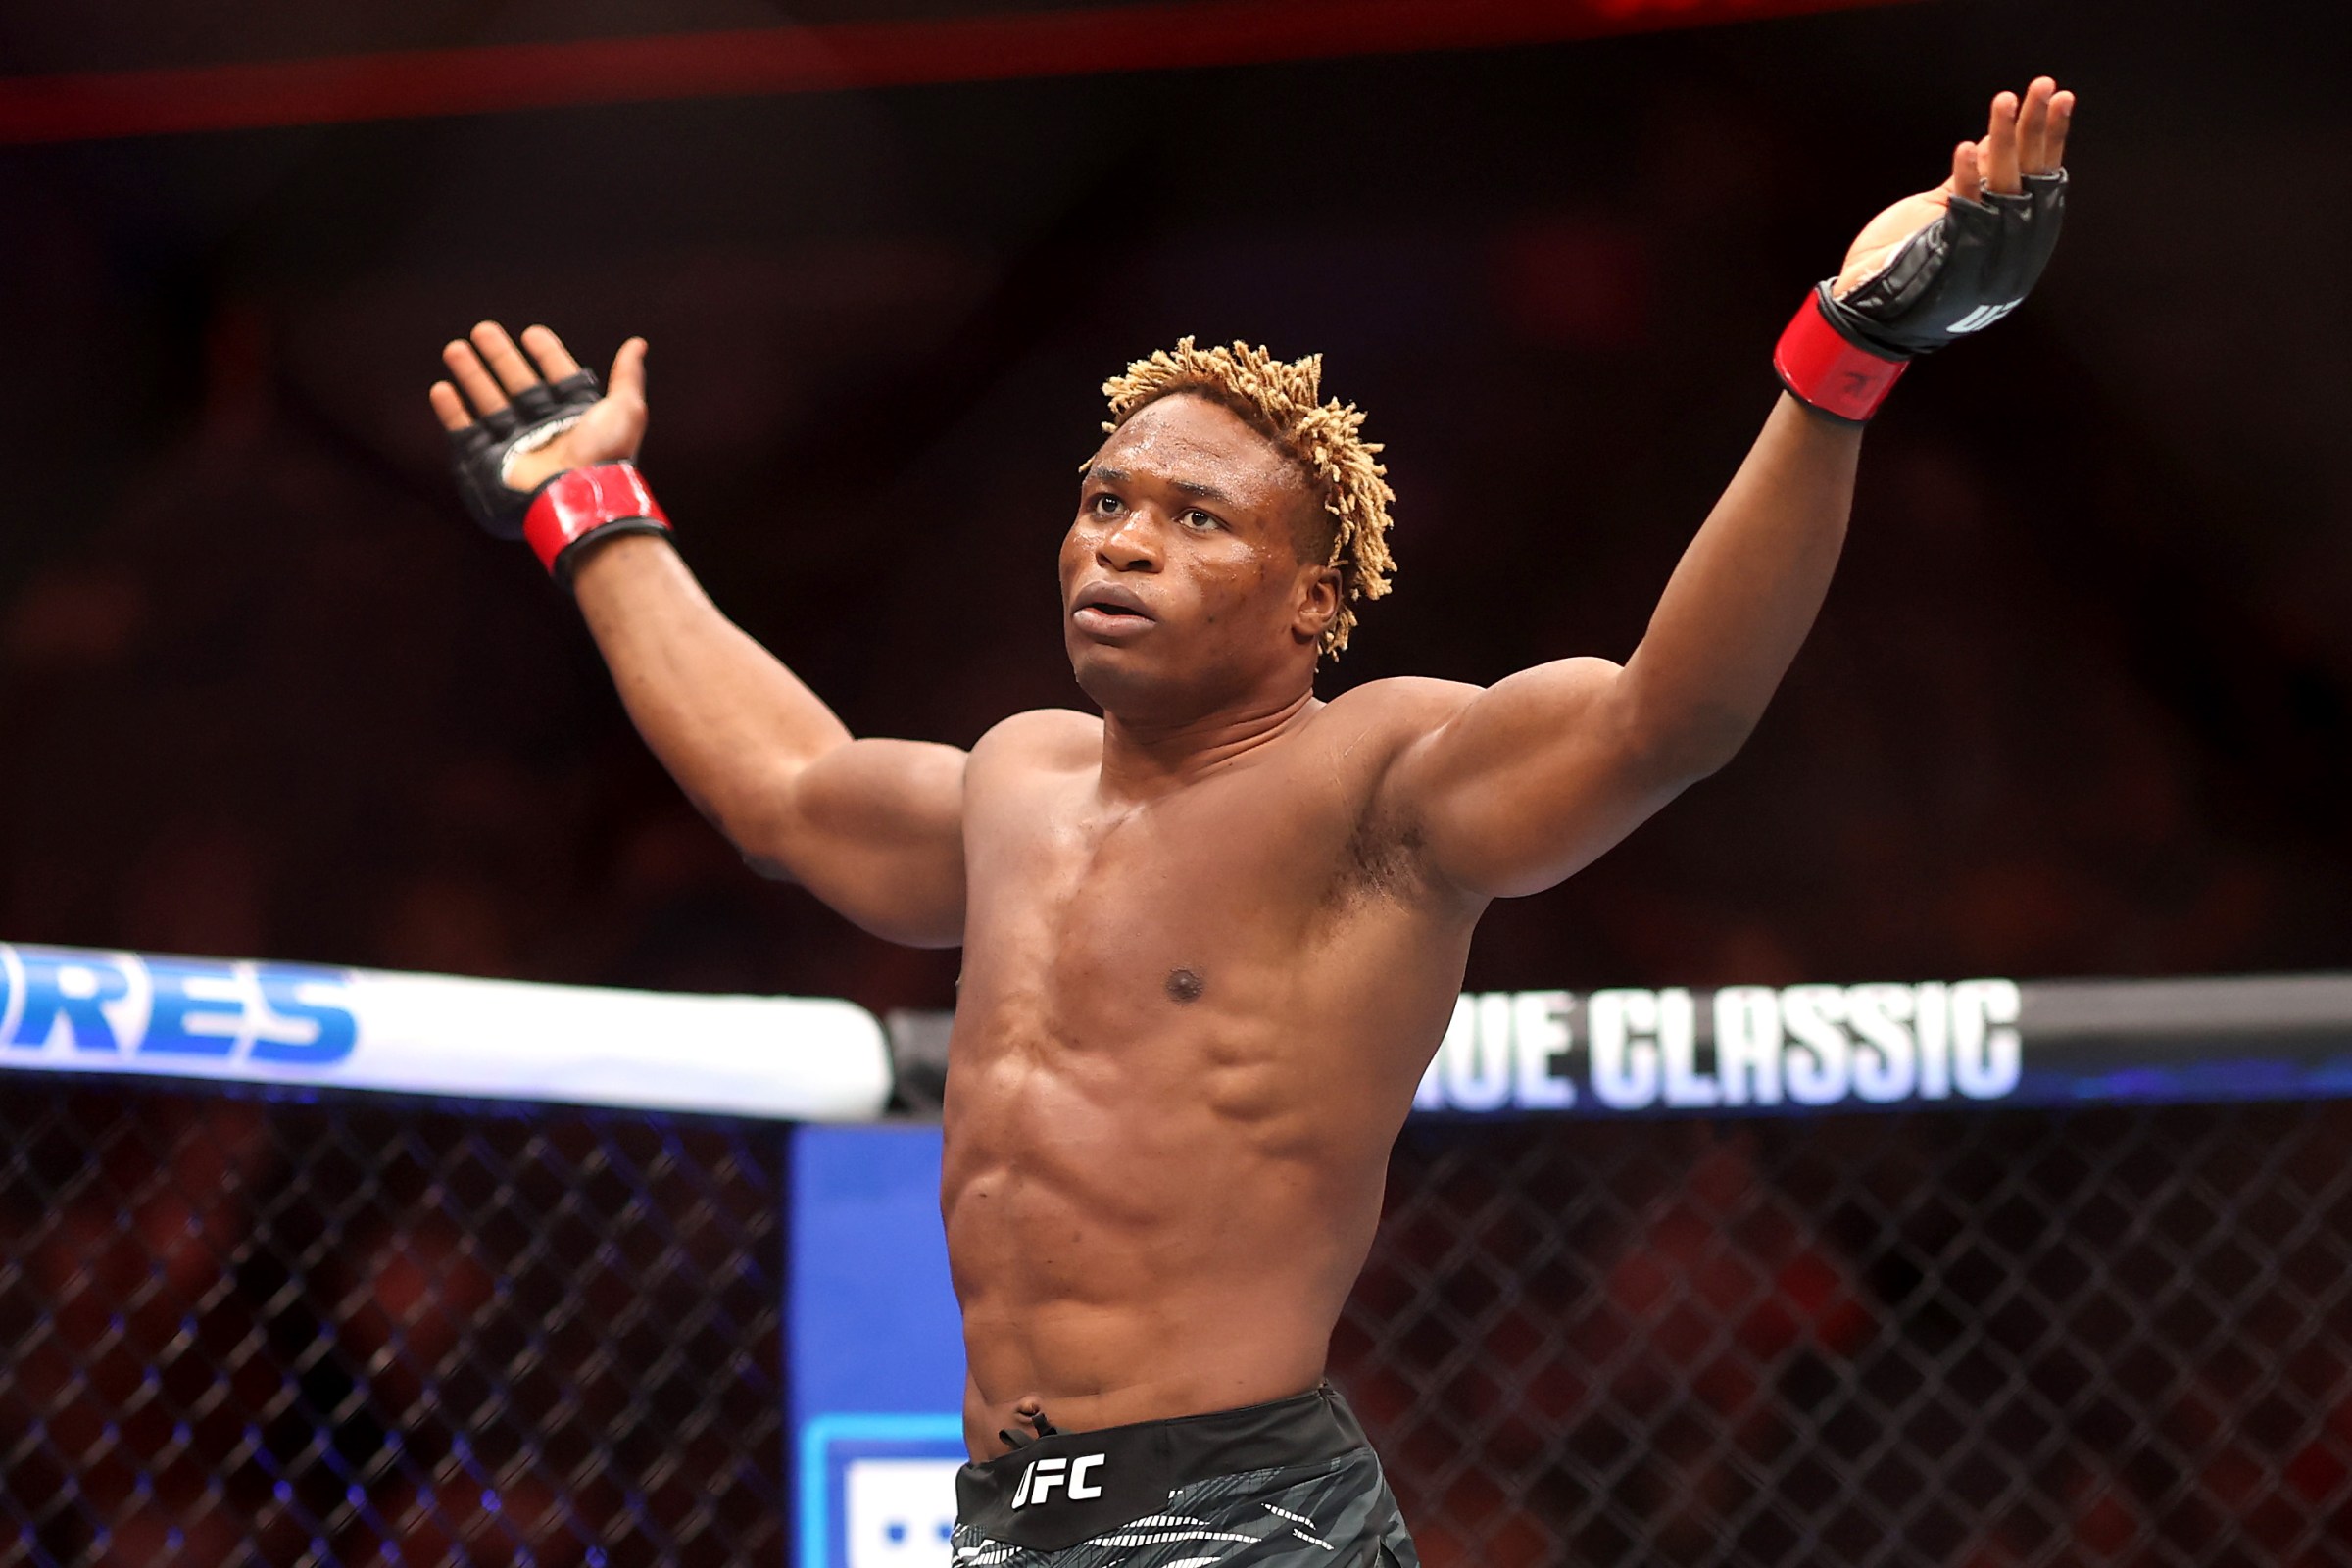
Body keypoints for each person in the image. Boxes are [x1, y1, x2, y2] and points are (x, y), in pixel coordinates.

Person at [427, 78, 2075, 1567]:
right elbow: (784, 790)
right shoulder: (1016, 781)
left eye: (1192, 517)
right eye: (1103, 502)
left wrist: (1845, 360)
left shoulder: (1380, 788)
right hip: (1003, 1517)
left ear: (1309, 606)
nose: (1120, 544)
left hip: (1243, 1516)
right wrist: (590, 510)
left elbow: (1669, 715)